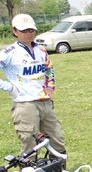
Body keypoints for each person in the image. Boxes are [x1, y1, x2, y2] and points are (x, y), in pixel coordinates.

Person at [0, 14, 67, 155]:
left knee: (57, 140)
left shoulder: (41, 49)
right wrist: (9, 88)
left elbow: (49, 69)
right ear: (14, 31)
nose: (28, 34)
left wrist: (50, 87)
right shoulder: (9, 53)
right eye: (24, 31)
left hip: (45, 102)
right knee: (30, 146)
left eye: (31, 30)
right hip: (25, 105)